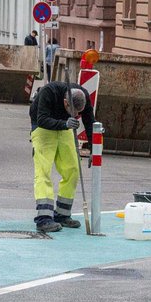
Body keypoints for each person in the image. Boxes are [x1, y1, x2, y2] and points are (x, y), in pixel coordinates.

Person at [28, 82, 94, 234]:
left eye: (79, 113)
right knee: (43, 171)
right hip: (43, 127)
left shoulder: (82, 96)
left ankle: (62, 215)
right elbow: (42, 119)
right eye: (74, 112)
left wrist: (93, 149)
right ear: (65, 102)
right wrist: (64, 123)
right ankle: (43, 219)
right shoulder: (48, 92)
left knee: (72, 169)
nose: (77, 115)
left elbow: (90, 121)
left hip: (65, 127)